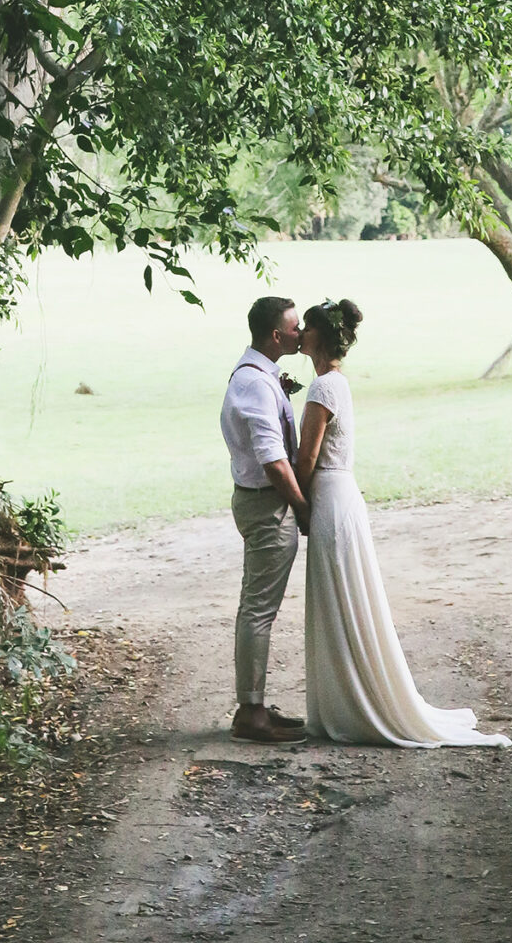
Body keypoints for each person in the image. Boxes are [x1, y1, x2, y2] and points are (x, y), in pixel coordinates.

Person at [296, 297, 510, 749]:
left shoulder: (322, 390)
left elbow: (308, 458)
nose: (298, 334)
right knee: (345, 599)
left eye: (305, 328)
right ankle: (350, 697)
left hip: (330, 499)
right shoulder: (336, 383)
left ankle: (356, 704)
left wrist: (293, 502)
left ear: (319, 335)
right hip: (341, 495)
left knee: (342, 600)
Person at [219, 294, 309, 743]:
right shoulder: (255, 383)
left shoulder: (258, 374)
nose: (301, 333)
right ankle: (250, 713)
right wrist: (302, 507)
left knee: (257, 607)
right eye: (294, 328)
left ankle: (253, 703)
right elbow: (274, 461)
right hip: (266, 505)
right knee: (258, 610)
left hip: (257, 499)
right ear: (276, 335)